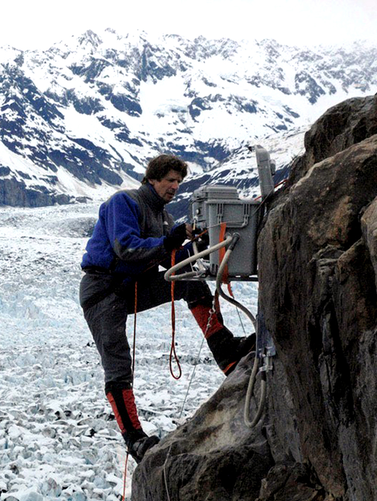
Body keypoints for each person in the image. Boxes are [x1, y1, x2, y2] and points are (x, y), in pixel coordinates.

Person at [79, 154, 255, 463]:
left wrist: (201, 246)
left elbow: (172, 261)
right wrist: (169, 242)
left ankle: (226, 352)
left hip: (131, 286)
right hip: (103, 289)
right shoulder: (125, 202)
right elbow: (126, 247)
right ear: (152, 179)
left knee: (189, 281)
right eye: (170, 180)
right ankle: (134, 439)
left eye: (179, 182)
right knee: (117, 361)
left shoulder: (163, 217)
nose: (175, 186)